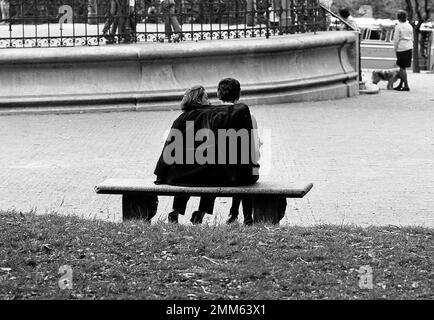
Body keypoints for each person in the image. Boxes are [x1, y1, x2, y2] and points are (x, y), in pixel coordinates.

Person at [154, 79, 260, 225]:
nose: (209, 101)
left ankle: (177, 210)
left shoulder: (185, 117)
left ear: (218, 93)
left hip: (184, 171)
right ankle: (212, 213)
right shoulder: (215, 115)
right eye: (206, 97)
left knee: (196, 167)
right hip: (223, 171)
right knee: (215, 169)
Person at [393, 10, 413, 92]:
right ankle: (401, 84)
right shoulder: (409, 26)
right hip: (409, 47)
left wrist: (395, 49)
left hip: (401, 48)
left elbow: (396, 39)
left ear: (398, 17)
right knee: (403, 67)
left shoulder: (398, 26)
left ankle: (406, 85)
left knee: (402, 68)